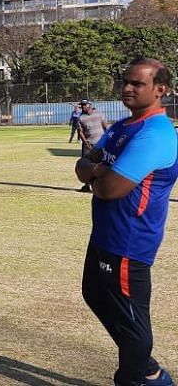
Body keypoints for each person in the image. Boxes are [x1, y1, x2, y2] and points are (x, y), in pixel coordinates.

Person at [76, 58, 178, 386]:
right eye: (125, 82)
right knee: (94, 294)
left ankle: (138, 377)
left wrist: (97, 170)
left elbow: (108, 188)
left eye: (138, 83)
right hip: (105, 235)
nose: (128, 88)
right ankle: (145, 369)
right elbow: (83, 164)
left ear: (161, 90)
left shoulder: (156, 134)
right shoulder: (122, 127)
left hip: (129, 242)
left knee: (133, 322)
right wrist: (95, 169)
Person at [78, 100, 112, 193]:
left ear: (89, 105)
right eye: (81, 106)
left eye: (84, 105)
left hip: (100, 145)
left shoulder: (99, 114)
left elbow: (106, 127)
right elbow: (80, 131)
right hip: (88, 145)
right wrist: (85, 142)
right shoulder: (81, 118)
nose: (82, 107)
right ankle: (86, 185)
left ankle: (103, 185)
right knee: (86, 164)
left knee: (102, 164)